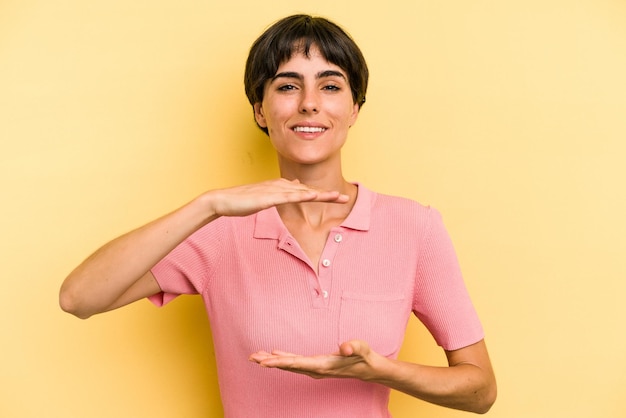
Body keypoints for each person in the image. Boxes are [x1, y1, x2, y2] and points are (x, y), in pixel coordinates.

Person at [59, 14, 497, 417]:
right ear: (259, 110)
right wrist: (207, 205)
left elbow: (480, 391)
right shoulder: (218, 230)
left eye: (330, 86)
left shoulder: (413, 227)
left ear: (355, 109)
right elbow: (79, 298)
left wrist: (379, 370)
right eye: (287, 86)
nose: (309, 103)